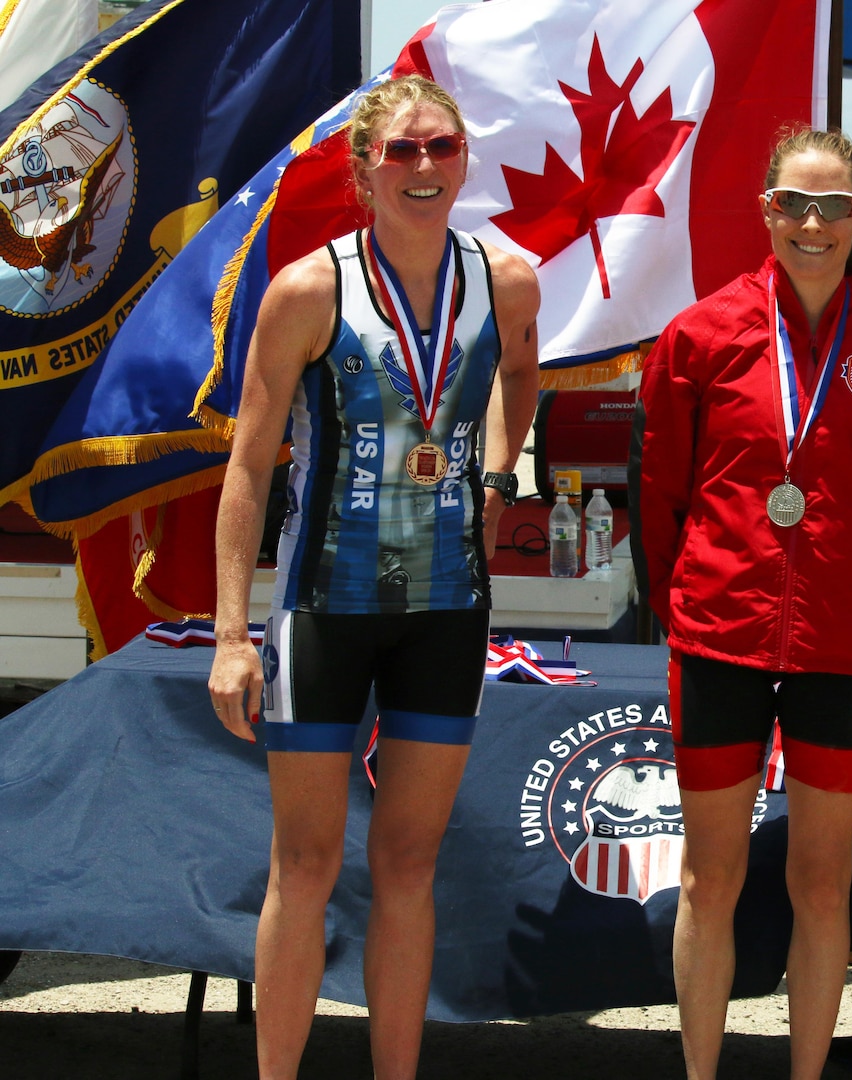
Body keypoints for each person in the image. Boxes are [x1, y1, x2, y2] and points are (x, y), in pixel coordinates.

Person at [206, 75, 540, 1079]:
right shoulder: (311, 290)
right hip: (324, 609)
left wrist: (498, 463)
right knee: (304, 866)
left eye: (441, 147)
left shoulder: (508, 279)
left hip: (447, 609)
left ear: (465, 156)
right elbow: (246, 467)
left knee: (407, 866)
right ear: (364, 171)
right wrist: (229, 638)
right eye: (402, 152)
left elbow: (521, 371)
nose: (425, 168)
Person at [630, 127, 852, 1080]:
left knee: (821, 880)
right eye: (794, 206)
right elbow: (662, 499)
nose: (814, 225)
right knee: (711, 876)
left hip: (842, 648)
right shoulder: (700, 335)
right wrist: (689, 601)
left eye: (835, 207)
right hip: (721, 635)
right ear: (765, 210)